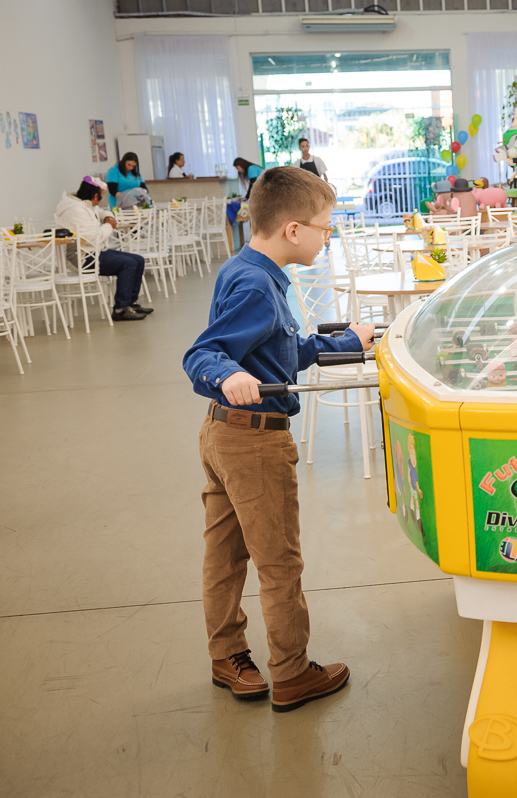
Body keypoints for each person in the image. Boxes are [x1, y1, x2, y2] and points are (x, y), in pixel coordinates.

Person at [182, 166, 373, 712]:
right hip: (254, 443)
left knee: (224, 554)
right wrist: (226, 373)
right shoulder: (257, 288)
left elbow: (279, 352)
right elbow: (203, 353)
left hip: (222, 433)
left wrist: (346, 341)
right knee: (279, 563)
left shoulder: (246, 267)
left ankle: (226, 655)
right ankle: (291, 673)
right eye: (325, 227)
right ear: (293, 230)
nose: (327, 237)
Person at [54, 176, 153, 321]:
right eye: (101, 196)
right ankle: (121, 309)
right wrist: (109, 225)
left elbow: (100, 211)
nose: (101, 200)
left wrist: (107, 216)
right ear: (95, 196)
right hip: (82, 258)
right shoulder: (75, 210)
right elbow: (94, 238)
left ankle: (131, 303)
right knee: (129, 263)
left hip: (94, 252)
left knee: (138, 260)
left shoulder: (84, 204)